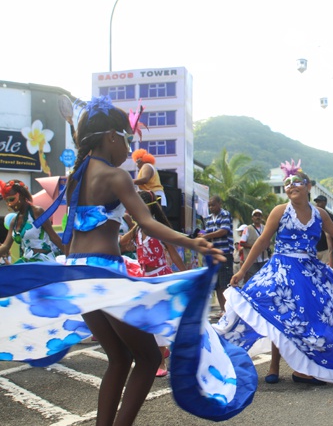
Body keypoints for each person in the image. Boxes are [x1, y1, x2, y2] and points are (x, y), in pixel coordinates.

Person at [11, 96, 255, 424]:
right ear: (111, 137)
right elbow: (149, 221)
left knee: (119, 358)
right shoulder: (115, 176)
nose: (129, 147)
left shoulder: (77, 178)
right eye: (128, 138)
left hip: (76, 275)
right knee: (147, 356)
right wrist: (190, 241)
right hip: (103, 275)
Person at [215, 160, 333, 385]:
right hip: (282, 269)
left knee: (313, 319)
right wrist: (241, 271)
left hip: (310, 272)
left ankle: (305, 369)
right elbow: (262, 241)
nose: (291, 186)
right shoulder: (280, 211)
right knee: (278, 314)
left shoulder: (320, 214)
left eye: (296, 182)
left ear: (308, 186)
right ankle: (273, 366)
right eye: (287, 183)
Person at [120, 190, 188, 377]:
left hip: (160, 278)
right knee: (144, 321)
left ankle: (161, 361)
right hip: (144, 279)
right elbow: (122, 244)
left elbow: (173, 253)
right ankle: (160, 353)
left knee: (157, 320)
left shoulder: (158, 228)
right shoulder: (138, 230)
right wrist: (132, 224)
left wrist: (185, 275)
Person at [0, 179, 64, 263]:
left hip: (43, 260)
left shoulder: (37, 212)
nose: (9, 204)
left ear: (22, 195)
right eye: (6, 201)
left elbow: (54, 237)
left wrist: (71, 257)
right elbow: (5, 246)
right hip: (27, 261)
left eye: (11, 199)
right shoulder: (13, 222)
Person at [201, 195, 234, 316]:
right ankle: (223, 310)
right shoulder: (208, 218)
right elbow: (208, 234)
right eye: (209, 205)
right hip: (213, 254)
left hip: (225, 253)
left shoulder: (225, 214)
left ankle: (229, 309)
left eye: (213, 205)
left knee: (226, 283)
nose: (211, 207)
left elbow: (223, 231)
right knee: (218, 285)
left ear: (219, 203)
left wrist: (206, 236)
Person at [239, 209, 270, 282]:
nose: (257, 217)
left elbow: (269, 240)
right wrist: (255, 247)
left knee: (264, 280)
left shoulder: (265, 228)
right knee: (254, 280)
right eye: (255, 215)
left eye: (259, 215)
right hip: (252, 261)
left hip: (264, 259)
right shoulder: (247, 229)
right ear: (252, 218)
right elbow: (242, 243)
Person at [314, 195, 333, 266]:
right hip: (314, 248)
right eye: (316, 202)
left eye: (319, 202)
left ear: (325, 203)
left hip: (326, 249)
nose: (317, 204)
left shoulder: (331, 217)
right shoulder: (311, 216)